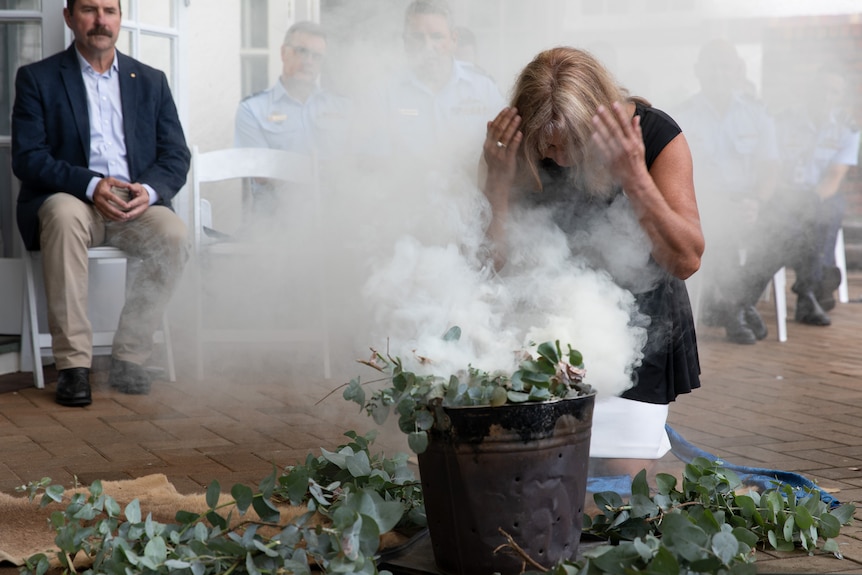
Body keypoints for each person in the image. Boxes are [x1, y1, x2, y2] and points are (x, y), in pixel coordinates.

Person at [481, 47, 704, 479]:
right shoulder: (515, 145)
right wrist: (496, 185)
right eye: (545, 144)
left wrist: (634, 175)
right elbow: (489, 272)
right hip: (540, 331)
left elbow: (686, 260)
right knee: (530, 481)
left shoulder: (654, 135)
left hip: (638, 333)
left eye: (570, 142)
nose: (557, 155)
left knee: (618, 490)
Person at [11, 0, 190, 407]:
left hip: (135, 203)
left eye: (110, 10)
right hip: (75, 198)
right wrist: (91, 186)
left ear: (120, 19)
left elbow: (176, 155)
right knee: (60, 213)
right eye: (90, 9)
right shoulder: (38, 79)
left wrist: (151, 190)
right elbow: (28, 157)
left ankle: (130, 355)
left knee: (174, 234)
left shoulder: (150, 81)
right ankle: (74, 366)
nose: (100, 20)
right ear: (69, 17)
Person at [672, 39, 784, 344]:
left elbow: (769, 168)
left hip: (750, 199)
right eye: (711, 66)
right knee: (721, 226)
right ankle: (736, 312)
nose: (719, 73)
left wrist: (757, 202)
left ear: (737, 70)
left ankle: (734, 304)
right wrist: (715, 204)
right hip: (704, 202)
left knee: (790, 227)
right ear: (698, 71)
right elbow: (677, 174)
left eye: (725, 66)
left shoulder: (756, 113)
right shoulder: (683, 115)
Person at [370, 0, 505, 172]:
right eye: (418, 37)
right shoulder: (385, 93)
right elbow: (373, 163)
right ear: (405, 42)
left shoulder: (483, 88)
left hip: (471, 195)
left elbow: (507, 147)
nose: (428, 47)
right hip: (406, 196)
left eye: (437, 36)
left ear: (454, 39)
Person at [234, 21, 350, 214]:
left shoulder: (344, 108)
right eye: (301, 51)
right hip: (277, 224)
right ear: (283, 53)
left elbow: (357, 163)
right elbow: (262, 174)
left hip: (337, 216)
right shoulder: (252, 110)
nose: (309, 61)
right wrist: (321, 171)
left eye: (317, 56)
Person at [773, 65, 860, 314]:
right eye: (822, 89)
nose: (826, 96)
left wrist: (809, 201)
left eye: (833, 92)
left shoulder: (847, 129)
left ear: (840, 97)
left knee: (827, 212)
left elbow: (835, 177)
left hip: (820, 195)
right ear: (810, 90)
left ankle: (810, 287)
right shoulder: (783, 121)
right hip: (785, 195)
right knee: (814, 219)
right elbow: (772, 168)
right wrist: (791, 198)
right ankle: (816, 284)